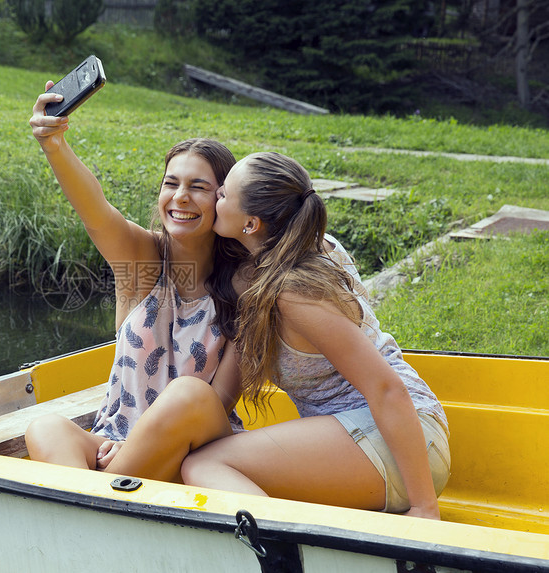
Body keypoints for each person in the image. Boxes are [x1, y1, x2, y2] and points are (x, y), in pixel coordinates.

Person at [179, 151, 451, 519]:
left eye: (223, 194)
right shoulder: (296, 252)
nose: (214, 199)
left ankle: (281, 553)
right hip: (380, 442)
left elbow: (386, 387)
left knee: (204, 467)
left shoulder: (294, 290)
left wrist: (425, 507)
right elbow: (225, 392)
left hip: (403, 443)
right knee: (207, 462)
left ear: (251, 224)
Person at [24, 82, 245, 482]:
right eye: (171, 183)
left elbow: (220, 401)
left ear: (225, 201)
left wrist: (141, 443)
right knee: (45, 428)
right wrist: (54, 144)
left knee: (189, 395)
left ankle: (94, 503)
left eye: (198, 187)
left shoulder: (246, 286)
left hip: (197, 451)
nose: (180, 197)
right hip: (114, 440)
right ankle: (100, 498)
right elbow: (95, 210)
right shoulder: (142, 265)